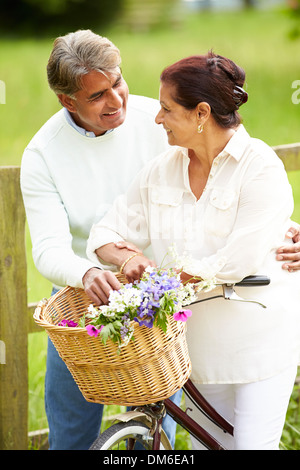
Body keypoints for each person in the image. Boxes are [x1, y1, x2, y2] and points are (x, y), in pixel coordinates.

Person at [86, 51, 300, 450]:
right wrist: (128, 258)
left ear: (201, 113)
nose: (157, 118)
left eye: (167, 109)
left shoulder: (260, 168)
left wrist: (161, 286)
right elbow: (104, 233)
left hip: (260, 347)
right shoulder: (161, 170)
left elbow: (240, 259)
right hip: (196, 353)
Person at [20, 29, 182, 450]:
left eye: (118, 83)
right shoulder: (43, 154)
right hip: (81, 302)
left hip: (158, 299)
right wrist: (88, 271)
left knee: (155, 437)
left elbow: (225, 175)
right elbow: (48, 248)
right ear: (67, 101)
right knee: (71, 435)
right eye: (97, 96)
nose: (116, 101)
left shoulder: (158, 121)